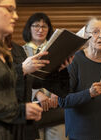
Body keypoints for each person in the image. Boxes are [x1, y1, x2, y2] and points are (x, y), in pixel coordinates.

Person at [0, 0, 58, 139]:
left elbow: (10, 93)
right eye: (9, 9)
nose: (16, 16)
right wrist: (21, 111)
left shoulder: (3, 53)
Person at [21, 12, 68, 140]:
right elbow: (19, 78)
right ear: (29, 29)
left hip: (55, 107)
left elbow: (64, 75)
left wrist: (56, 92)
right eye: (36, 26)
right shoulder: (20, 51)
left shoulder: (57, 50)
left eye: (44, 26)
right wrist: (37, 93)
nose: (40, 30)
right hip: (33, 108)